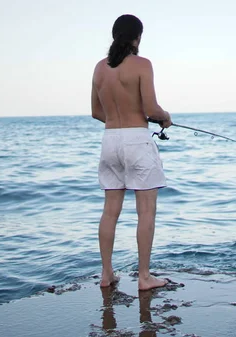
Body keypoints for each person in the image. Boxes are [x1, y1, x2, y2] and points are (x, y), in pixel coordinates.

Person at [91, 14, 172, 291]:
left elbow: (96, 112)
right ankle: (145, 277)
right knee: (146, 211)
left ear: (115, 35)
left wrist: (121, 121)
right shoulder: (142, 64)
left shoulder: (100, 68)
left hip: (110, 140)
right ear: (138, 37)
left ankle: (107, 274)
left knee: (110, 211)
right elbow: (151, 108)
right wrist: (164, 117)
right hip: (137, 140)